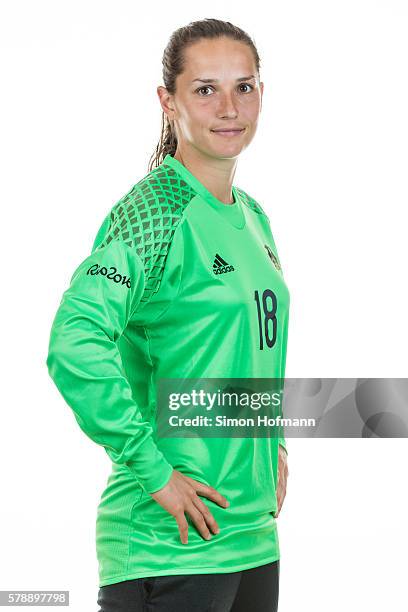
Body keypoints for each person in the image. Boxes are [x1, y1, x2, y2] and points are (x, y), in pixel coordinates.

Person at [46, 17, 290, 612]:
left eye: (245, 86)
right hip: (168, 545)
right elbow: (74, 343)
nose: (229, 107)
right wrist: (154, 473)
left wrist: (274, 442)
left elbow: (248, 352)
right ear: (168, 100)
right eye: (206, 89)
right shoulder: (153, 214)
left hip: (252, 538)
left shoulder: (254, 217)